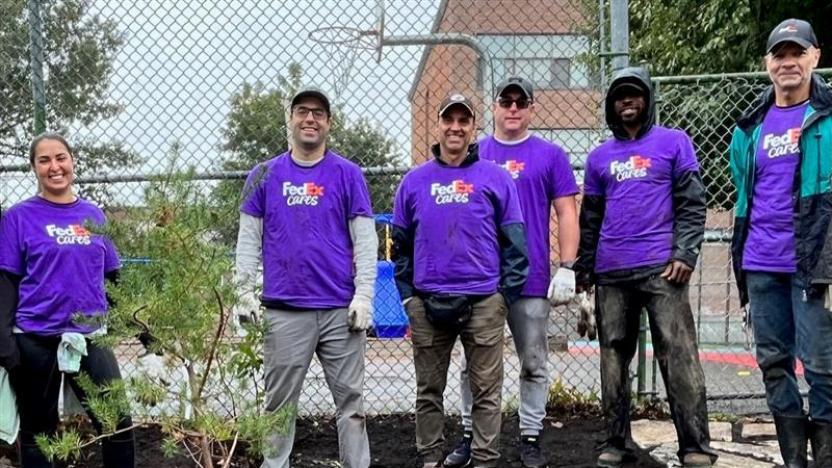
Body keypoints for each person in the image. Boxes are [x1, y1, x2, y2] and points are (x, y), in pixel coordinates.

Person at [574, 67, 717, 467]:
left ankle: (694, 446)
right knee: (613, 357)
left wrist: (685, 253)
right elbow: (591, 217)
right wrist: (585, 272)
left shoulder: (674, 143)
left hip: (663, 272)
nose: (627, 101)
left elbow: (692, 203)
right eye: (620, 96)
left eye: (635, 94)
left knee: (679, 354)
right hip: (611, 273)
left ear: (648, 99)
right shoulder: (599, 157)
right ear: (611, 105)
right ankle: (616, 443)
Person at [234, 87, 377, 468]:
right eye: (302, 111)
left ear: (329, 123)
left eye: (318, 113)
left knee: (351, 403)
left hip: (339, 312)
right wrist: (243, 293)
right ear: (291, 119)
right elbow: (248, 240)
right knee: (278, 406)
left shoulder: (348, 175)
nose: (310, 118)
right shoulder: (263, 175)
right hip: (284, 312)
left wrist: (364, 296)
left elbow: (364, 239)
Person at [443, 77, 579, 468]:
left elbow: (567, 210)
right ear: (495, 106)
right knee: (474, 364)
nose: (514, 108)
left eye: (522, 101)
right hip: (480, 281)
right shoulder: (474, 153)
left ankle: (531, 435)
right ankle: (471, 434)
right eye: (507, 101)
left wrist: (567, 266)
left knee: (533, 360)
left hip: (532, 279)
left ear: (531, 108)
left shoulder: (550, 155)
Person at [392, 92, 528, 468]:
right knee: (428, 391)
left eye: (463, 121)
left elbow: (516, 245)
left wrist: (503, 297)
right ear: (438, 125)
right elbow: (399, 247)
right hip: (428, 302)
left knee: (486, 391)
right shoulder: (413, 182)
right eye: (448, 120)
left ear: (473, 128)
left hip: (484, 301)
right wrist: (408, 299)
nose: (455, 127)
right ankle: (431, 458)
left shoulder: (497, 179)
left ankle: (484, 460)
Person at [729, 19, 832, 468]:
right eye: (779, 54)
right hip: (760, 262)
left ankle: (825, 453)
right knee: (773, 363)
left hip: (817, 265)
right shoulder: (749, 127)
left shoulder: (829, 117)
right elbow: (743, 195)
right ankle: (794, 458)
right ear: (767, 64)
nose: (788, 62)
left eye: (797, 52)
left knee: (822, 365)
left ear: (815, 57)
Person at [0, 133, 135, 467]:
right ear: (34, 168)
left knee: (116, 423)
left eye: (60, 157)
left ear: (72, 161)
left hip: (88, 337)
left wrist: (138, 326)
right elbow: (6, 280)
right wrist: (4, 342)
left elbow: (112, 279)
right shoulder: (18, 218)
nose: (54, 166)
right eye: (44, 160)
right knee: (39, 433)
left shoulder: (93, 215)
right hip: (33, 339)